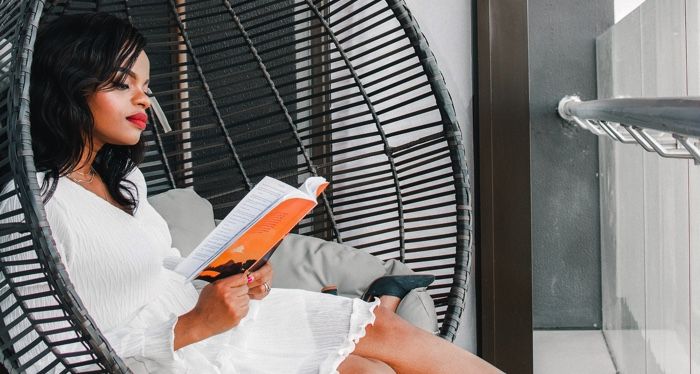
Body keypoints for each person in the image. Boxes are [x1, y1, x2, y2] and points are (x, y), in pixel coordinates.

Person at [1, 12, 502, 374]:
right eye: (120, 82)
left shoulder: (125, 180)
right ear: (68, 86)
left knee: (380, 334)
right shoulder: (28, 208)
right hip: (164, 353)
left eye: (147, 85)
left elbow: (161, 267)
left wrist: (232, 276)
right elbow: (42, 355)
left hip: (206, 321)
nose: (144, 99)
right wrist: (195, 325)